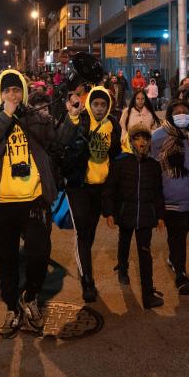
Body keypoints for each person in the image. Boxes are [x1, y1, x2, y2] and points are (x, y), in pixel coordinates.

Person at [0, 69, 77, 338]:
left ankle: (30, 296)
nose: (12, 94)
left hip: (34, 200)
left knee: (39, 253)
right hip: (1, 204)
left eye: (16, 90)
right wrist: (5, 116)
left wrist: (73, 116)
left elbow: (60, 139)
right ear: (0, 93)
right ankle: (12, 308)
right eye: (7, 90)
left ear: (24, 91)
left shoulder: (36, 117)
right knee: (5, 259)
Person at [63, 86, 121, 302]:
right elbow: (65, 140)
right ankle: (87, 280)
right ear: (90, 104)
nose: (99, 108)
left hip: (101, 187)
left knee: (90, 233)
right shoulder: (83, 120)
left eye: (103, 104)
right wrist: (72, 116)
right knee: (83, 232)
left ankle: (82, 257)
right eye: (95, 104)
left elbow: (115, 154)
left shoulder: (112, 124)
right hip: (79, 186)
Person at [151, 99, 189, 295]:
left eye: (184, 111)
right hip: (170, 197)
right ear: (170, 114)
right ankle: (181, 274)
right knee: (177, 235)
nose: (180, 114)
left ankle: (173, 258)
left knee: (181, 233)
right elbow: (153, 166)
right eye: (176, 111)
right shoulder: (158, 136)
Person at [103, 124, 166, 308]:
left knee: (145, 254)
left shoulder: (154, 166)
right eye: (137, 138)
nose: (142, 142)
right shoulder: (121, 162)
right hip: (125, 213)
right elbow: (110, 189)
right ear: (131, 141)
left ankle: (148, 294)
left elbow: (158, 192)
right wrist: (109, 212)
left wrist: (160, 215)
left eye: (145, 139)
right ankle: (123, 268)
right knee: (124, 242)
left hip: (146, 216)